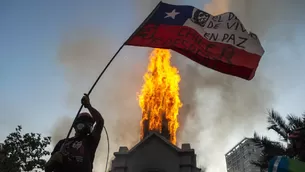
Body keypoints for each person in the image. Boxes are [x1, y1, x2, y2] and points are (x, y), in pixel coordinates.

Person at [45, 94, 104, 172]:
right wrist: (53, 160)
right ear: (75, 126)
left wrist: (88, 106)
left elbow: (100, 122)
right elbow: (48, 168)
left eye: (89, 124)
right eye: (83, 122)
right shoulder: (62, 143)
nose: (86, 125)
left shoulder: (90, 141)